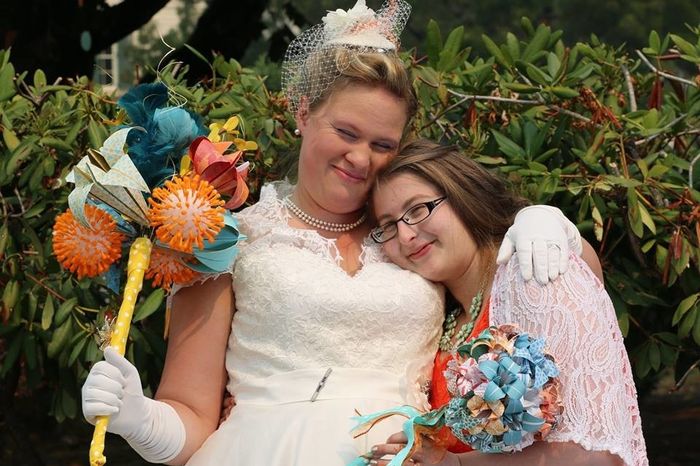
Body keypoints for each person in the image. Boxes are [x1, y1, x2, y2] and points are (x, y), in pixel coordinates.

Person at [80, 2, 585, 465]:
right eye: (346, 132)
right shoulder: (226, 240)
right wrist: (139, 419)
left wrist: (543, 222)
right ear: (303, 112)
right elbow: (191, 417)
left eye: (382, 144)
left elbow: (504, 289)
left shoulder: (416, 238)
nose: (360, 158)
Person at [367, 139, 648, 466]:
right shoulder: (440, 322)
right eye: (388, 226)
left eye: (417, 209)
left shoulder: (531, 274)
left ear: (462, 195)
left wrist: (455, 465)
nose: (406, 236)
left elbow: (596, 454)